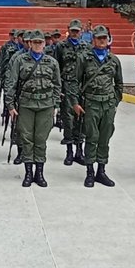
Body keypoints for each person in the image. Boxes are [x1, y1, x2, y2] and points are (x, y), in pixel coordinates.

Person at [5, 29, 62, 188]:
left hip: (45, 106)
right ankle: (28, 173)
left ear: (45, 43)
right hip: (26, 106)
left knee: (41, 140)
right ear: (30, 43)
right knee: (27, 139)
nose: (37, 45)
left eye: (40, 42)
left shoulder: (52, 62)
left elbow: (57, 85)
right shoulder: (20, 60)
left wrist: (56, 105)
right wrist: (10, 105)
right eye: (35, 42)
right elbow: (11, 83)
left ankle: (40, 173)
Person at [76, 24, 123, 187]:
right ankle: (89, 172)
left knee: (105, 138)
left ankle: (101, 171)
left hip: (108, 104)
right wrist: (76, 103)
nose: (102, 41)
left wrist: (114, 101)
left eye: (104, 38)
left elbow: (119, 84)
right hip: (91, 103)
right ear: (93, 40)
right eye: (99, 38)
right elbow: (76, 81)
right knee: (91, 137)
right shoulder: (84, 58)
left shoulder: (114, 60)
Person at [55, 19, 91, 166]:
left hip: (82, 88)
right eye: (73, 30)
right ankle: (69, 151)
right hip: (67, 87)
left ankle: (79, 150)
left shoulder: (86, 47)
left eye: (77, 31)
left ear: (81, 31)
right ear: (68, 30)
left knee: (81, 119)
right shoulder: (61, 46)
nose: (75, 33)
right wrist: (59, 89)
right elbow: (57, 68)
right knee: (68, 120)